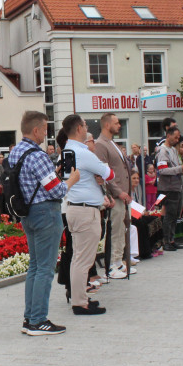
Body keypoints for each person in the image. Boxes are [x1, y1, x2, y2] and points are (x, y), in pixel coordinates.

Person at [9, 111, 72, 335]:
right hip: (46, 212)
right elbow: (56, 189)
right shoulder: (38, 155)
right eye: (45, 129)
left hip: (28, 213)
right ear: (36, 130)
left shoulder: (16, 152)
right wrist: (71, 180)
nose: (46, 133)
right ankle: (38, 320)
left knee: (35, 267)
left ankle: (30, 318)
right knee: (45, 269)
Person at [59, 114, 112, 316]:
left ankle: (80, 298)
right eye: (85, 125)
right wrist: (100, 172)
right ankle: (80, 302)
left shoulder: (68, 150)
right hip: (84, 209)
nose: (87, 128)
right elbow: (109, 174)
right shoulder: (83, 152)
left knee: (79, 258)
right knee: (83, 259)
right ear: (79, 129)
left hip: (76, 207)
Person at [94, 113, 132, 278]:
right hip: (114, 195)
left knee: (121, 229)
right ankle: (111, 265)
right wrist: (118, 191)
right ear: (107, 125)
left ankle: (118, 261)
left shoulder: (112, 143)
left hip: (123, 194)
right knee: (114, 229)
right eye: (116, 123)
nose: (119, 126)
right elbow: (104, 173)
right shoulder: (101, 144)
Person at [155, 126, 183, 252]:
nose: (177, 139)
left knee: (175, 214)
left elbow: (175, 167)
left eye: (178, 137)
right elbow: (162, 170)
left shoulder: (173, 150)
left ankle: (172, 239)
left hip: (176, 186)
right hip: (168, 187)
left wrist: (182, 168)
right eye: (175, 137)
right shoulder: (163, 151)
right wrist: (180, 169)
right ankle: (167, 241)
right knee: (170, 215)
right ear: (168, 136)